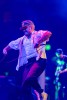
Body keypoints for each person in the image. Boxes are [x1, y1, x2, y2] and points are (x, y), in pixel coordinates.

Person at [3, 20, 52, 100]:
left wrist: (39, 42)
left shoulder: (37, 34)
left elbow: (48, 33)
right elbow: (12, 43)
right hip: (29, 63)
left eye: (25, 28)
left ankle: (41, 92)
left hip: (39, 61)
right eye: (23, 29)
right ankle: (39, 94)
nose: (24, 30)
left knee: (28, 80)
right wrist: (5, 49)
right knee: (24, 87)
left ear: (31, 27)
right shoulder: (22, 39)